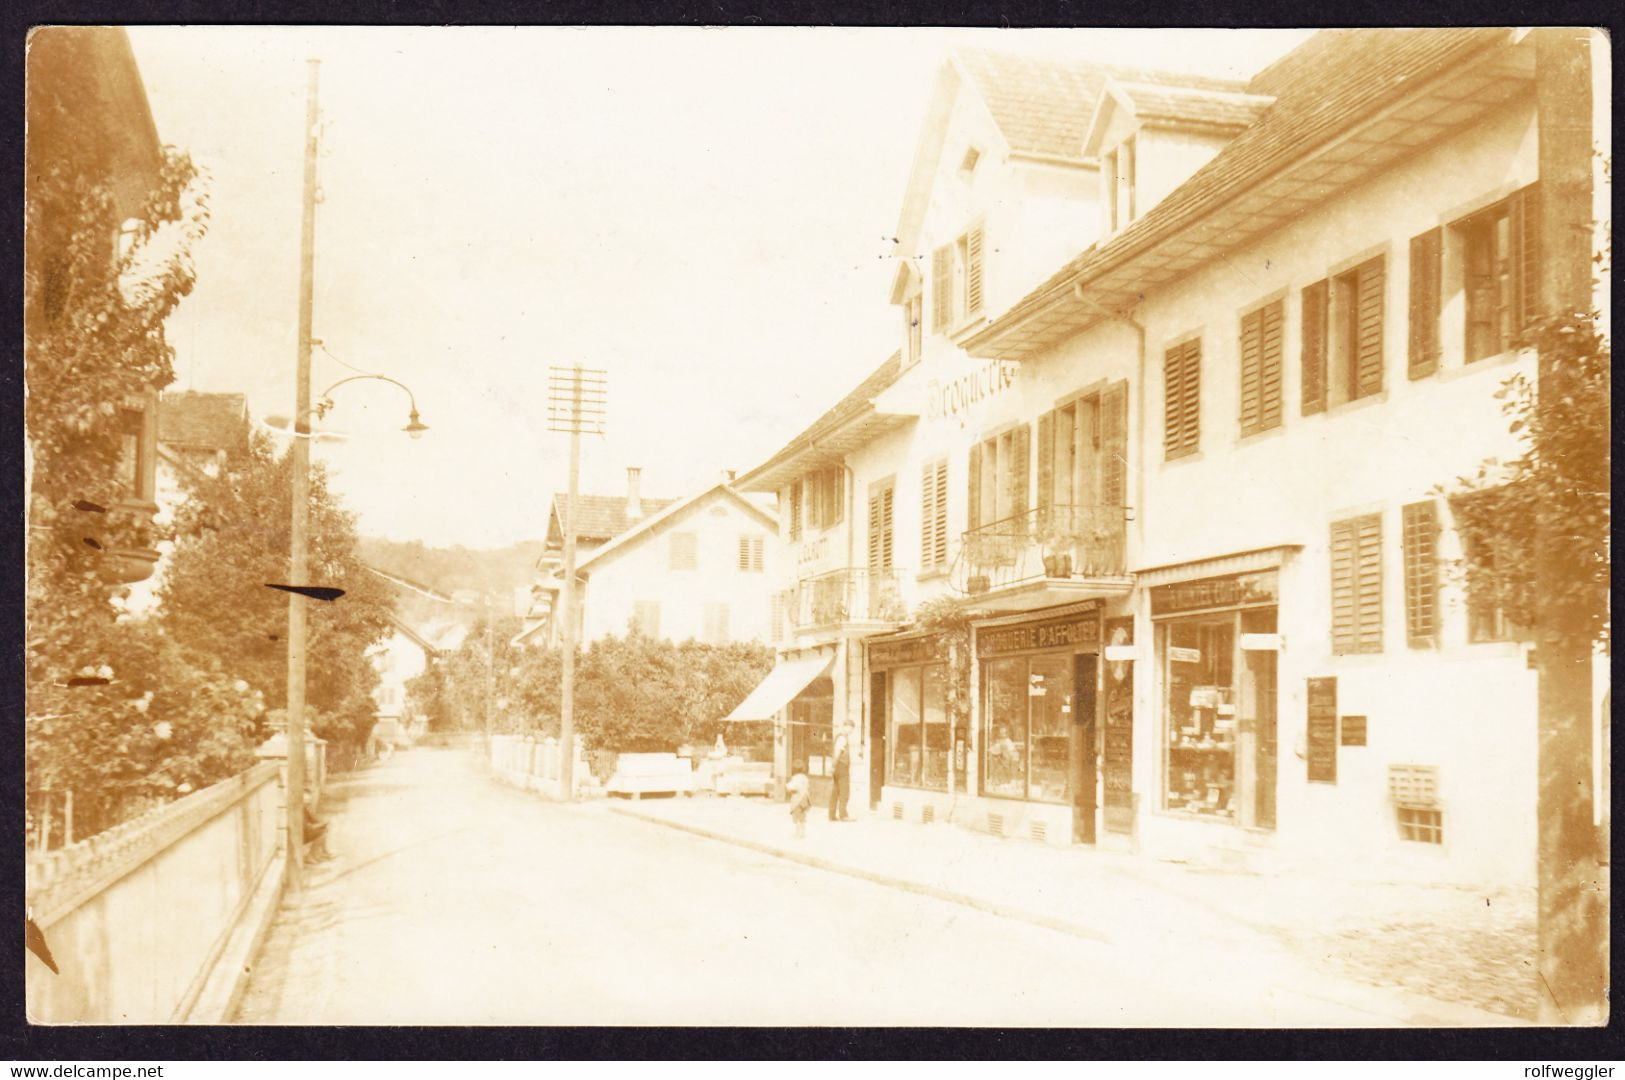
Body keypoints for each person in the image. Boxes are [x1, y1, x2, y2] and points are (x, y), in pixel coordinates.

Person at [828, 734, 851, 822]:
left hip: (838, 766)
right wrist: (833, 766)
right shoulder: (842, 738)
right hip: (841, 767)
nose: (850, 731)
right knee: (844, 791)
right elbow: (837, 752)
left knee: (835, 791)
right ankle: (843, 815)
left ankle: (832, 815)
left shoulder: (839, 737)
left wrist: (833, 766)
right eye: (850, 728)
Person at [787, 761, 811, 839]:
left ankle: (797, 834)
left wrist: (788, 786)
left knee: (797, 818)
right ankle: (803, 833)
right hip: (805, 799)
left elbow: (793, 787)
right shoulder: (805, 777)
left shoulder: (795, 778)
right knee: (803, 818)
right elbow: (808, 786)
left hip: (797, 800)